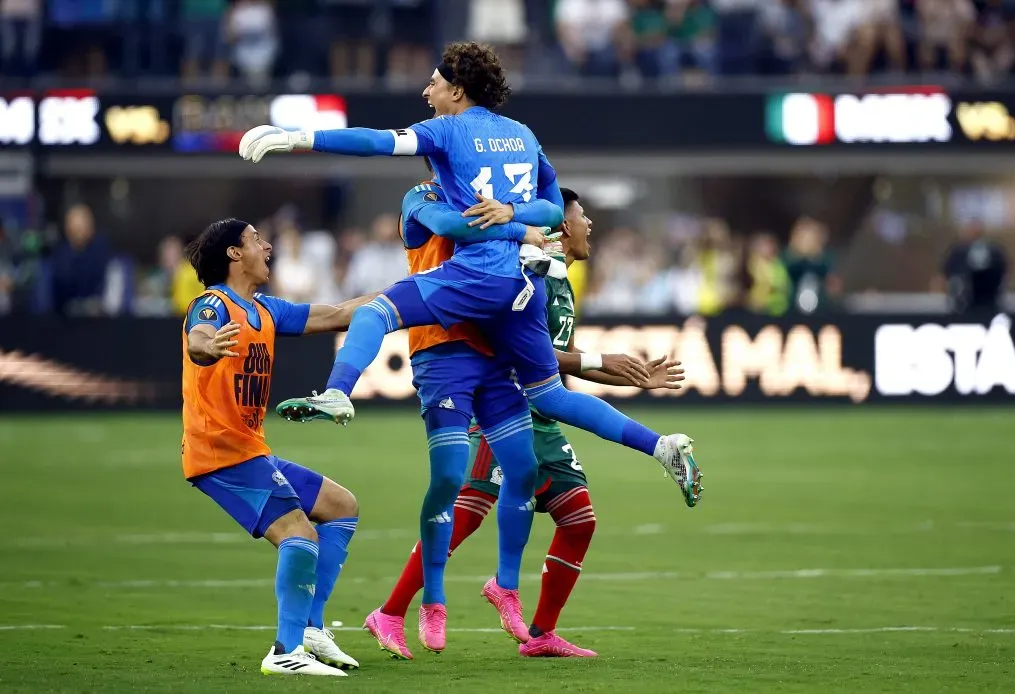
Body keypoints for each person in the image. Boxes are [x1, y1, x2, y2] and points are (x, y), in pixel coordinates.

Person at [241, 40, 702, 617]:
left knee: (376, 312)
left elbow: (378, 143)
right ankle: (659, 446)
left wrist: (297, 138)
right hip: (520, 288)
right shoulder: (524, 135)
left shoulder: (448, 135)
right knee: (548, 399)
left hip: (470, 289)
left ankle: (338, 391)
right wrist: (517, 219)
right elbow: (554, 210)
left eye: (433, 82)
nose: (425, 92)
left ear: (457, 90)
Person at [363, 184, 690, 659]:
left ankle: (540, 635)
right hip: (508, 407)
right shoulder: (532, 272)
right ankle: (391, 611)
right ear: (560, 226)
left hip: (543, 416)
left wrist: (634, 374)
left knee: (578, 519)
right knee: (468, 513)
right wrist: (604, 362)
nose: (588, 225)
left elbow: (555, 359)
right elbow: (529, 357)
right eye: (582, 215)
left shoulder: (557, 277)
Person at [181, 218, 373, 677]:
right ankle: (285, 651)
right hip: (220, 453)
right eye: (255, 240)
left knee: (340, 505)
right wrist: (209, 347)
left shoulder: (265, 310)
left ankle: (309, 630)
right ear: (233, 254)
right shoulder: (213, 304)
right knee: (298, 533)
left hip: (250, 449)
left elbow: (336, 314)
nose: (266, 246)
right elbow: (197, 341)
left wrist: (412, 298)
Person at [936, 221, 1008, 314]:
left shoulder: (994, 252)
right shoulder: (958, 252)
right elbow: (947, 272)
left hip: (989, 302)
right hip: (964, 303)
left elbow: (1003, 273)